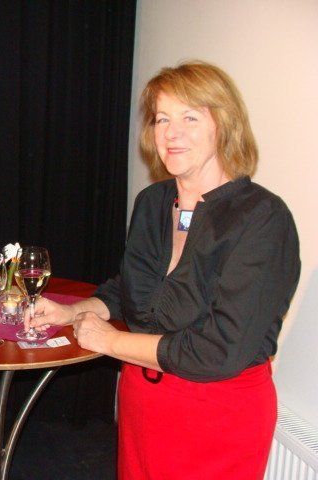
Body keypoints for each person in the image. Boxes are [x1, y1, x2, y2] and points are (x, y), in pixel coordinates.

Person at [27, 61, 300, 479]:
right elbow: (131, 291)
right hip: (144, 401)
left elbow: (220, 351)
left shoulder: (262, 218)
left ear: (224, 124)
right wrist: (72, 311)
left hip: (218, 413)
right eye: (162, 119)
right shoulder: (152, 202)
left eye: (190, 117)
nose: (171, 133)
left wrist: (111, 342)